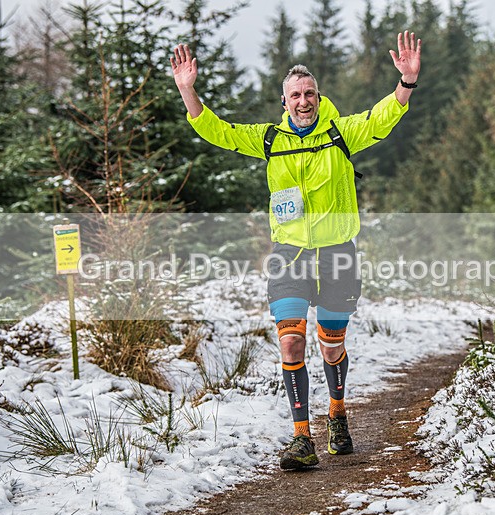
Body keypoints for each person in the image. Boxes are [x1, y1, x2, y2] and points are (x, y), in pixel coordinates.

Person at [171, 31, 421, 470]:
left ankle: (338, 415)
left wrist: (406, 83)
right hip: (289, 255)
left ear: (319, 97)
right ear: (283, 102)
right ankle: (301, 438)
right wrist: (188, 90)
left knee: (329, 347)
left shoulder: (342, 133)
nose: (303, 101)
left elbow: (383, 117)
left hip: (337, 255)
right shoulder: (269, 140)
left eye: (310, 94)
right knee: (290, 345)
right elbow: (218, 131)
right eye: (295, 95)